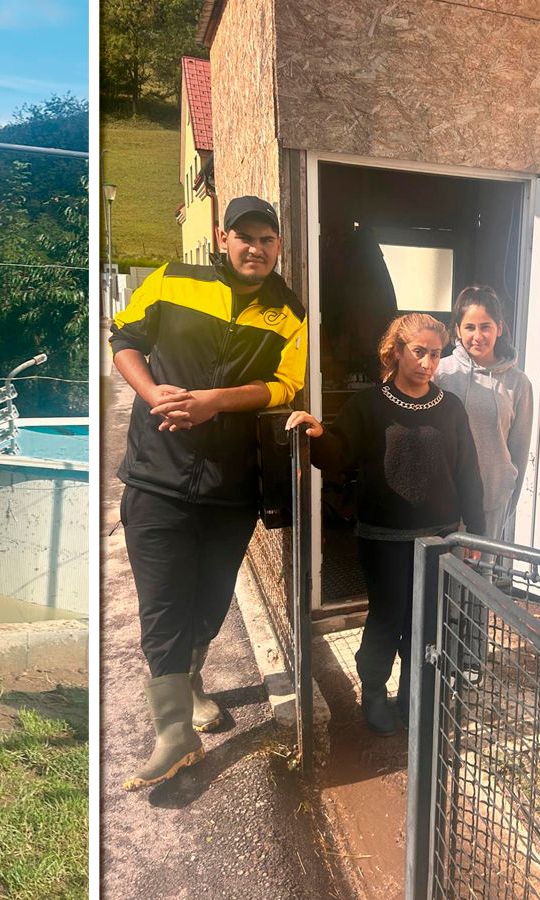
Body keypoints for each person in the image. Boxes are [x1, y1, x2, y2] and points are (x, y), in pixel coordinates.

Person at [111, 196, 307, 791]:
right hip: (157, 473)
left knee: (211, 598)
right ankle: (172, 733)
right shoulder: (174, 280)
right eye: (245, 237)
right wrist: (155, 396)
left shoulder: (288, 312)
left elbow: (287, 384)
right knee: (163, 601)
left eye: (267, 240)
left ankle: (192, 679)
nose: (256, 248)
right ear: (223, 238)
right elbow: (125, 339)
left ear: (278, 246)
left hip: (230, 484)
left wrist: (215, 402)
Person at [288, 314, 485, 735]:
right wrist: (319, 433)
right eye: (419, 352)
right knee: (387, 617)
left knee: (427, 621)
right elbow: (337, 458)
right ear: (395, 351)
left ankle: (414, 696)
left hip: (440, 538)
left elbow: (468, 473)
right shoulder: (369, 404)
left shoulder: (450, 407)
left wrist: (476, 534)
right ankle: (374, 692)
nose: (428, 363)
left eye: (436, 354)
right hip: (383, 537)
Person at [433, 285, 533, 544]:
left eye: (485, 326)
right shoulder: (440, 373)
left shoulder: (518, 383)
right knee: (441, 579)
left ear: (499, 328)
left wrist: (507, 499)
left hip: (491, 500)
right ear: (457, 330)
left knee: (479, 579)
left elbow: (519, 451)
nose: (477, 336)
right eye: (470, 327)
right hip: (444, 499)